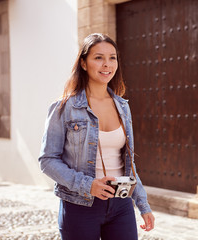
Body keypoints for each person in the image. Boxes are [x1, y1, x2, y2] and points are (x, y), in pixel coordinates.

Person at [38, 33, 155, 239]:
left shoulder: (123, 107)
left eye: (112, 57)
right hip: (80, 205)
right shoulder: (64, 108)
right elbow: (47, 161)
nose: (107, 64)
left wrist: (142, 203)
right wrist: (88, 185)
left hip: (121, 204)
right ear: (83, 63)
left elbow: (128, 163)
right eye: (98, 57)